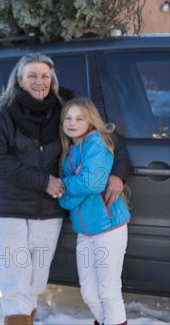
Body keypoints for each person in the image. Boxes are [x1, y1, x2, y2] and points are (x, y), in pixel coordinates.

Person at [0, 53, 130, 325]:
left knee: (36, 282)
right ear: (18, 80)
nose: (40, 81)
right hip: (9, 210)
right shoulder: (1, 115)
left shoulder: (64, 109)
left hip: (49, 211)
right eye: (32, 76)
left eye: (45, 76)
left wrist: (119, 173)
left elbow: (106, 135)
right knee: (14, 283)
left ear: (52, 80)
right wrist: (43, 181)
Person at [58, 97, 130, 325]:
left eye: (79, 118)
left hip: (108, 226)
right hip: (84, 231)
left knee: (109, 292)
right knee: (89, 295)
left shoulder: (96, 143)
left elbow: (92, 183)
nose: (72, 122)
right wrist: (75, 183)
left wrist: (67, 185)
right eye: (68, 118)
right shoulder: (69, 152)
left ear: (91, 121)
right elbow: (64, 202)